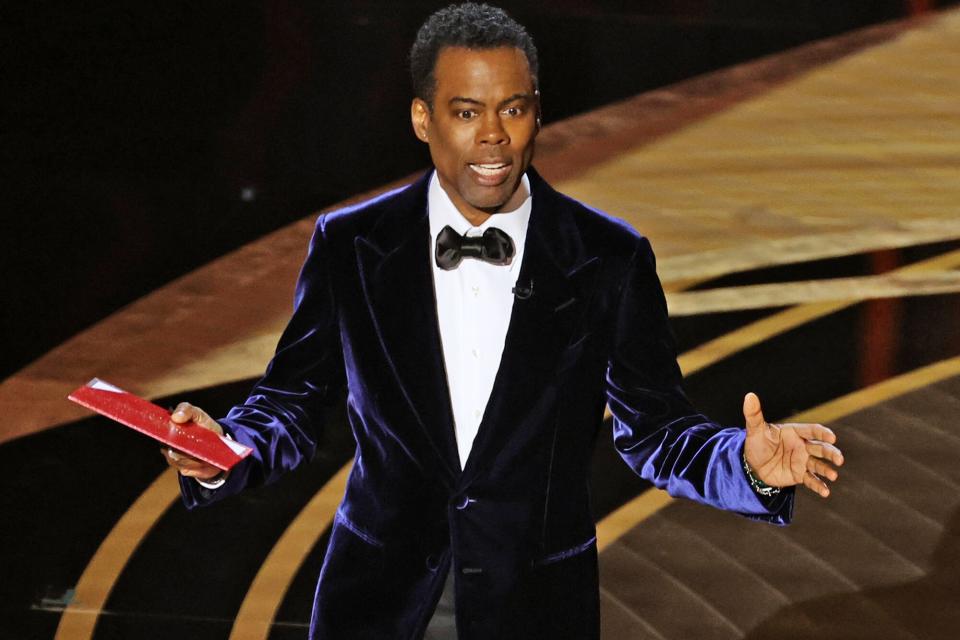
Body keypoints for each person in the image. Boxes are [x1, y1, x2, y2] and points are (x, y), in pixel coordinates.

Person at [164, 3, 844, 639]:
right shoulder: (352, 245)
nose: (493, 136)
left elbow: (659, 432)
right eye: (466, 112)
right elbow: (292, 400)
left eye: (512, 109)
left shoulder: (608, 257)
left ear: (538, 114)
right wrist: (223, 451)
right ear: (422, 119)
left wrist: (745, 467)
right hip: (376, 604)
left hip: (536, 608)